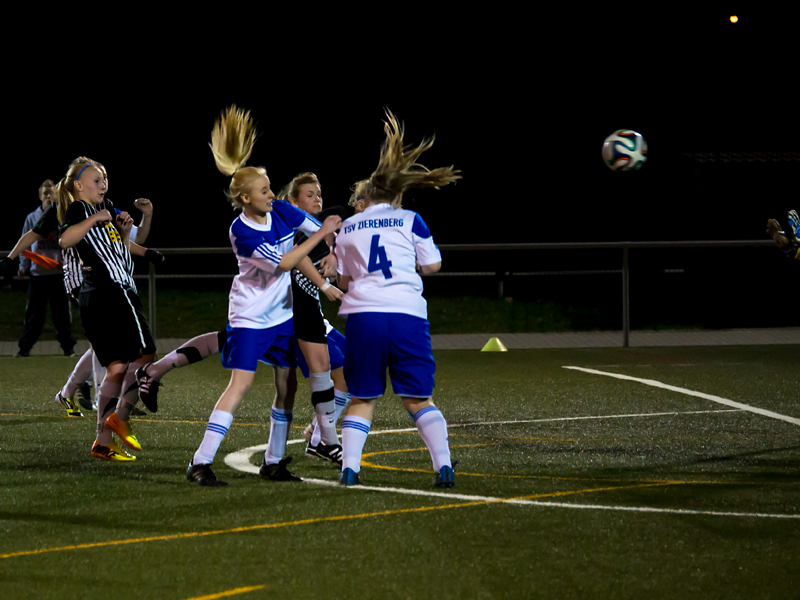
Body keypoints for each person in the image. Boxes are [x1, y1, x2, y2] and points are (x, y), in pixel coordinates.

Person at [186, 106, 342, 487]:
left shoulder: (281, 210)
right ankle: (200, 461)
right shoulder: (242, 232)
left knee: (286, 387)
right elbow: (287, 261)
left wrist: (330, 249)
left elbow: (315, 230)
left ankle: (273, 461)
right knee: (240, 385)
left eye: (271, 187)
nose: (273, 194)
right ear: (244, 198)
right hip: (251, 317)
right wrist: (324, 238)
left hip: (282, 316)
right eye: (265, 190)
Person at [335, 109, 460, 488]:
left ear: (366, 195)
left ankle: (350, 470)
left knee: (362, 398)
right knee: (418, 399)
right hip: (406, 315)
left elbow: (343, 278)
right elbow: (433, 265)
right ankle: (443, 467)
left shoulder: (347, 226)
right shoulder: (410, 219)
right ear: (399, 193)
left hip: (364, 316)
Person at [57, 158, 157, 461]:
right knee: (146, 353)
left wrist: (136, 223)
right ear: (78, 185)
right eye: (97, 180)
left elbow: (128, 245)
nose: (104, 184)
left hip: (98, 296)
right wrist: (93, 219)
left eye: (105, 179)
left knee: (116, 365)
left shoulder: (108, 209)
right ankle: (121, 416)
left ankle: (103, 439)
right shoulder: (80, 210)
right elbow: (65, 240)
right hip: (110, 292)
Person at [279, 172, 352, 465]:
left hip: (315, 316)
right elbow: (297, 259)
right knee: (322, 376)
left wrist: (333, 256)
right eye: (310, 194)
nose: (317, 198)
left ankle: (317, 435)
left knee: (351, 371)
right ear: (294, 201)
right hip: (295, 315)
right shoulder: (293, 228)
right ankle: (323, 438)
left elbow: (336, 221)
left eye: (319, 193)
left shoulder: (315, 231)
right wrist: (325, 283)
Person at [15, 180, 76, 358]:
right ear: (40, 195)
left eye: (51, 193)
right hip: (38, 274)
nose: (48, 197)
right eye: (45, 194)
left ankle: (68, 348)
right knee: (34, 314)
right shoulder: (32, 218)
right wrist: (22, 266)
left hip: (58, 273)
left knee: (62, 314)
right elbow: (25, 244)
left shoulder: (62, 216)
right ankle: (24, 348)